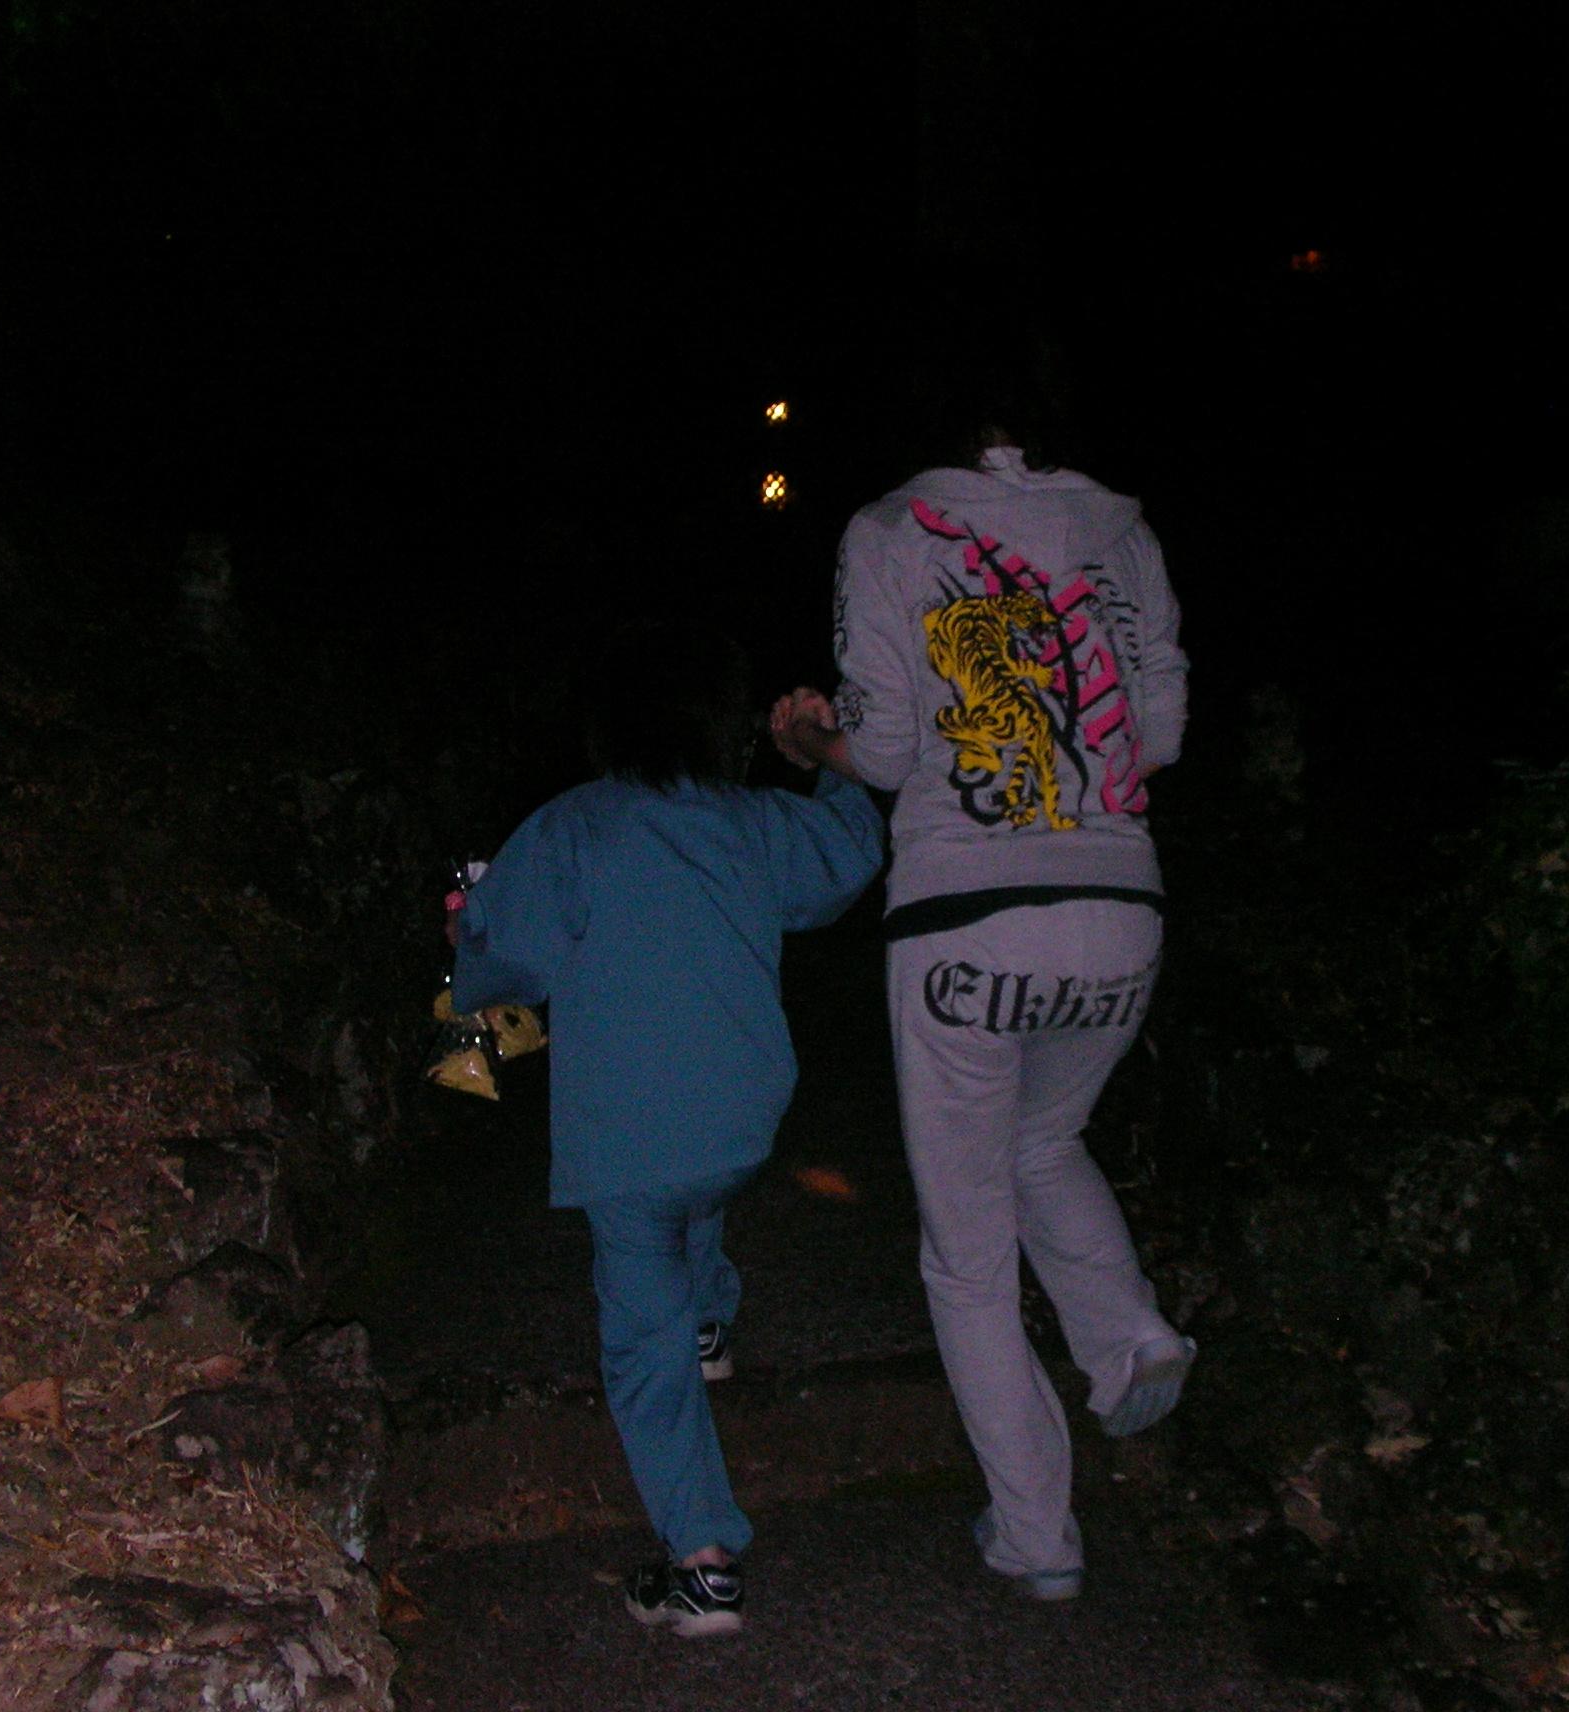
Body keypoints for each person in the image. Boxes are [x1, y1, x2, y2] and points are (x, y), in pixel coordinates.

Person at [771, 378, 1194, 1602]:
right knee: (1043, 1137)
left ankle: (1037, 1533)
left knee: (964, 1252)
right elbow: (1157, 735)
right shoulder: (1123, 531)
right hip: (1119, 910)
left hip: (967, 918)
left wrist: (806, 744)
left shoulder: (888, 529)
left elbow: (887, 750)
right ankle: (1127, 1333)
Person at [450, 634, 883, 1638]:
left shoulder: (574, 826)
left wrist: (465, 935)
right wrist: (829, 763)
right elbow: (847, 854)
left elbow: (505, 957)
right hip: (742, 1118)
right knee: (700, 1183)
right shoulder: (750, 821)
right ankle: (710, 1322)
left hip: (629, 1138)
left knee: (643, 1335)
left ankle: (703, 1565)